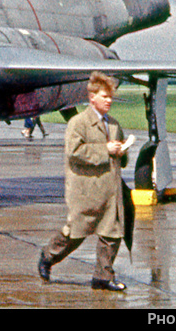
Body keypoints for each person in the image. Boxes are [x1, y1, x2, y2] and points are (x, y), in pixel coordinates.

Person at [38, 71, 129, 291]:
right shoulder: (78, 123)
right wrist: (105, 150)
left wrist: (121, 150)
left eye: (110, 97)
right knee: (76, 233)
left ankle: (103, 277)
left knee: (112, 234)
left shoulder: (114, 125)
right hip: (85, 189)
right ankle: (48, 256)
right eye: (104, 96)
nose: (109, 101)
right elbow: (75, 152)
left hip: (109, 189)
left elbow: (122, 160)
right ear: (92, 98)